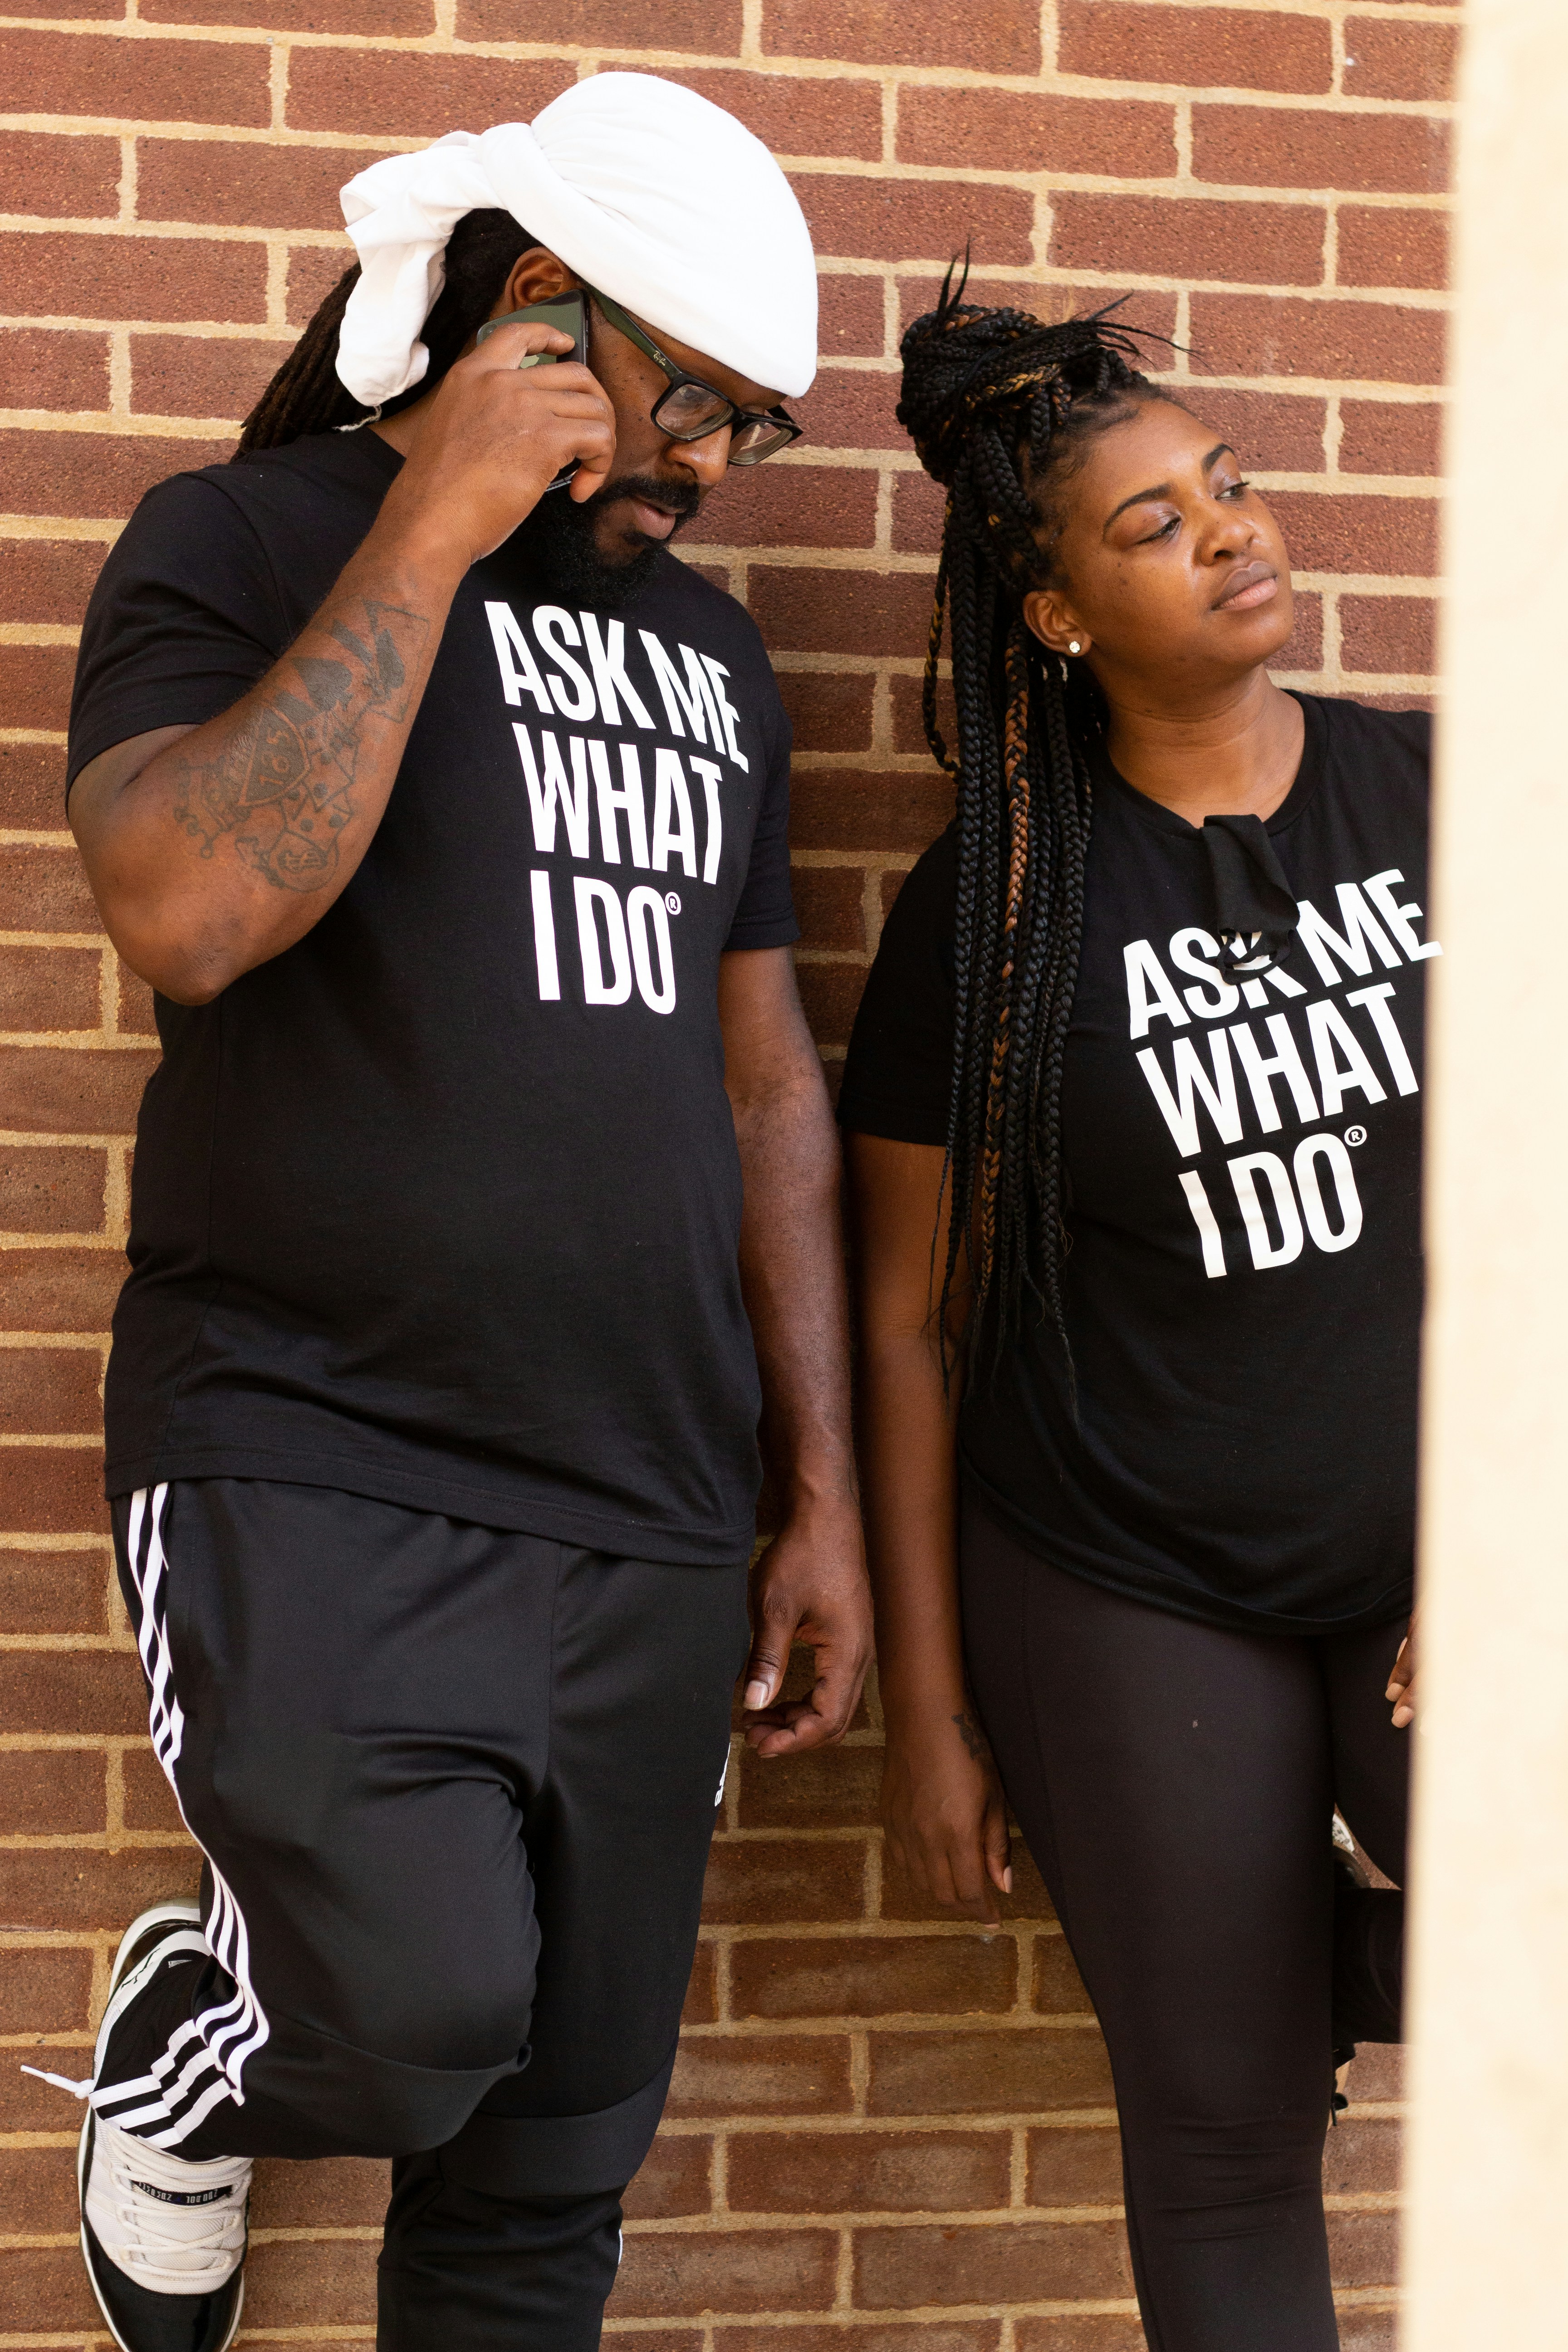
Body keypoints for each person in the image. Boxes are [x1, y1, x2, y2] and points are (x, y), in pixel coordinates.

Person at [42, 72, 871, 2352]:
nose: (718, 466)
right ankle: (194, 2058)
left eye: (758, 428)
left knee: (553, 2167)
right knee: (413, 2014)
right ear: (539, 307)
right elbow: (189, 909)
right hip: (321, 1451)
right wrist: (435, 523)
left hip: (653, 1497)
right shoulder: (236, 539)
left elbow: (765, 1080)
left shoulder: (714, 661)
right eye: (696, 400)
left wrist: (816, 1489)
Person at [839, 282, 1417, 2352]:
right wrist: (932, 1706)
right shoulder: (993, 912)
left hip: (1427, 1550)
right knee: (1223, 2134)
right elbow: (909, 1326)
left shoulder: (1445, 801)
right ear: (1058, 614)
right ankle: (1229, 1980)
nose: (1230, 529)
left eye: (1228, 485)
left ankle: (1264, 1958)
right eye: (1155, 525)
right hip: (1126, 1570)